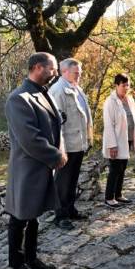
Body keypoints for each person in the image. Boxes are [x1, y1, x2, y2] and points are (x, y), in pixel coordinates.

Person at [4, 52, 67, 269]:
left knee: (33, 217)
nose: (55, 73)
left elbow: (54, 126)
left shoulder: (41, 93)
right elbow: (30, 138)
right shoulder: (19, 98)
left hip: (40, 167)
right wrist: (55, 155)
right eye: (52, 68)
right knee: (20, 218)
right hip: (27, 168)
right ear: (38, 67)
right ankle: (17, 266)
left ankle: (31, 258)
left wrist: (60, 149)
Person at [49, 58, 93, 230]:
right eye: (76, 72)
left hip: (78, 143)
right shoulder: (58, 91)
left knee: (72, 179)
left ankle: (70, 208)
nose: (79, 75)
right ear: (64, 71)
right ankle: (60, 215)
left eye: (80, 72)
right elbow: (56, 123)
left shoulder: (76, 87)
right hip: (66, 145)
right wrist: (60, 149)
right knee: (63, 181)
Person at [102, 73, 135, 208]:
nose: (126, 88)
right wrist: (112, 145)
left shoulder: (129, 100)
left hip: (128, 139)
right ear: (116, 85)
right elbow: (108, 125)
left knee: (123, 168)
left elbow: (133, 120)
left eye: (128, 85)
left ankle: (118, 194)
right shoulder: (110, 102)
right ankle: (109, 197)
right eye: (123, 85)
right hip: (116, 141)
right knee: (115, 169)